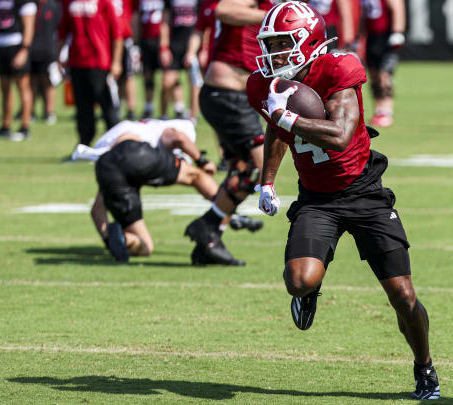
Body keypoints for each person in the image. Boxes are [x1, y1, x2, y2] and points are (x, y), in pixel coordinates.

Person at [246, 2, 438, 399]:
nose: (275, 53)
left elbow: (340, 134)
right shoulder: (264, 83)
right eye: (271, 43)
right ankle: (310, 293)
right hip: (316, 198)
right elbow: (276, 131)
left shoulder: (339, 68)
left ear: (309, 41)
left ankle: (424, 367)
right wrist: (266, 182)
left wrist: (287, 119)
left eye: (283, 43)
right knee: (299, 281)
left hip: (364, 191)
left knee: (403, 295)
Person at [181, 0, 272, 266]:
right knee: (259, 166)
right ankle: (208, 225)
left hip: (233, 95)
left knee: (243, 169)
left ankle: (209, 241)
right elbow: (222, 10)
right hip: (227, 93)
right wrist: (270, 15)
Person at [90, 119, 218, 262]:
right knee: (196, 175)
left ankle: (123, 239)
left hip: (105, 165)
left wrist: (107, 240)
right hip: (136, 152)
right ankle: (224, 208)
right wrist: (201, 160)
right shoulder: (173, 128)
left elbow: (97, 210)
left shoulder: (131, 130)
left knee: (146, 247)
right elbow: (179, 138)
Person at [58, 0, 122, 153]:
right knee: (82, 107)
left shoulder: (104, 3)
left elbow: (117, 34)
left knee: (107, 106)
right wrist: (59, 56)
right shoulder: (69, 3)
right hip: (77, 62)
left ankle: (116, 145)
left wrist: (116, 61)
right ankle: (84, 145)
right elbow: (63, 30)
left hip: (100, 61)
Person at [0, 0, 36, 141]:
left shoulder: (24, 3)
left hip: (16, 46)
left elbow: (29, 26)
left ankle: (25, 126)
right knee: (5, 87)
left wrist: (24, 50)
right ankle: (5, 125)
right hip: (1, 46)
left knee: (23, 86)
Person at [362, 0, 405, 128]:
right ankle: (378, 110)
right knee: (374, 76)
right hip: (371, 37)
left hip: (385, 36)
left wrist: (398, 31)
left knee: (384, 75)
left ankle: (387, 111)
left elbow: (398, 8)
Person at [29, 0, 60, 125]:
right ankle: (30, 112)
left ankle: (49, 112)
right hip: (32, 50)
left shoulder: (54, 7)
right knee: (32, 82)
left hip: (49, 51)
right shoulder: (30, 5)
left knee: (49, 82)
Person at [136, 0, 164, 118]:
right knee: (148, 75)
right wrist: (136, 42)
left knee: (169, 76)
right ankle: (149, 106)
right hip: (146, 40)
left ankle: (173, 108)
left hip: (161, 40)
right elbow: (136, 18)